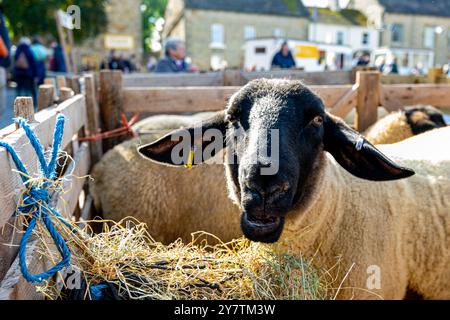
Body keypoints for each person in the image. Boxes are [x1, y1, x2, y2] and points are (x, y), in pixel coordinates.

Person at [13, 37, 38, 103]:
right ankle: (28, 104)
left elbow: (14, 62)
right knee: (28, 89)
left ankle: (17, 104)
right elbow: (33, 64)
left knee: (19, 89)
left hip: (18, 74)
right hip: (28, 74)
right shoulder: (29, 50)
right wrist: (35, 75)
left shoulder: (17, 50)